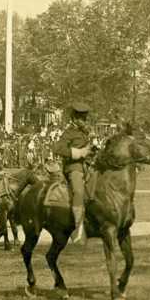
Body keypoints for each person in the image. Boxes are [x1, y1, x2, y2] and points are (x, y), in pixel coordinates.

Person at [52, 102, 93, 244]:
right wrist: (78, 153)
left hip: (87, 166)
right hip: (73, 167)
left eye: (85, 118)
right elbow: (57, 148)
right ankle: (78, 229)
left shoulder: (84, 132)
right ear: (75, 118)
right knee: (79, 192)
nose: (84, 121)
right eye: (81, 118)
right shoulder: (69, 132)